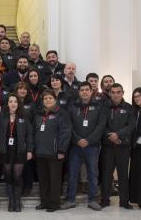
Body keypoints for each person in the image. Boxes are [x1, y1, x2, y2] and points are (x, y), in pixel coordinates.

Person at [63, 81, 106, 211]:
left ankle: (93, 200)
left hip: (92, 146)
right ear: (79, 92)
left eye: (87, 90)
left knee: (92, 173)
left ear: (91, 91)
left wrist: (88, 140)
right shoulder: (72, 106)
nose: (85, 92)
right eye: (82, 90)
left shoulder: (99, 106)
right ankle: (70, 200)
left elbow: (101, 126)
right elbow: (68, 125)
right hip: (75, 146)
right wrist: (77, 140)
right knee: (72, 173)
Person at [33, 89, 72, 212]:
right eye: (45, 99)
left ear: (55, 100)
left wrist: (61, 150)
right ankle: (44, 202)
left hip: (55, 153)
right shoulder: (39, 114)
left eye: (50, 98)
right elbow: (34, 132)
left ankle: (54, 204)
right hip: (40, 152)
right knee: (43, 179)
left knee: (54, 180)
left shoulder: (62, 114)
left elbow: (65, 133)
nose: (48, 100)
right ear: (42, 101)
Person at [0, 94, 34, 212]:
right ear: (7, 104)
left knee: (17, 175)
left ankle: (17, 201)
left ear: (18, 104)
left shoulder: (24, 116)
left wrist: (30, 150)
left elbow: (29, 135)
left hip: (20, 150)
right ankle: (11, 202)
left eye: (15, 102)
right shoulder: (2, 117)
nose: (13, 104)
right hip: (5, 149)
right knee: (8, 175)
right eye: (10, 101)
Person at [100, 83, 135, 209]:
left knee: (123, 174)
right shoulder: (103, 107)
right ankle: (105, 199)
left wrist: (118, 135)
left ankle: (124, 201)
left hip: (123, 146)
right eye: (113, 92)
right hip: (108, 146)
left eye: (118, 92)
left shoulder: (129, 108)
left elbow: (131, 125)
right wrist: (111, 136)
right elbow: (101, 125)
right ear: (109, 94)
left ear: (123, 92)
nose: (115, 95)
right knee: (106, 173)